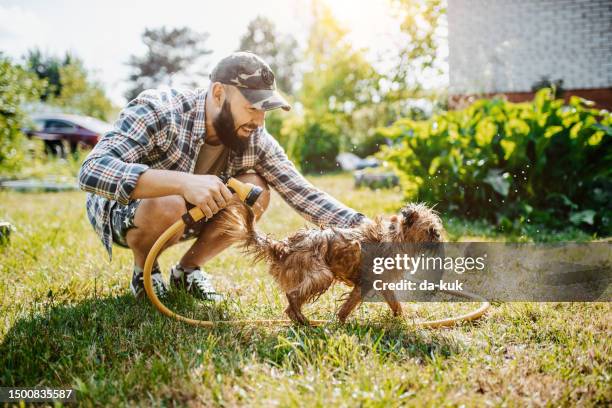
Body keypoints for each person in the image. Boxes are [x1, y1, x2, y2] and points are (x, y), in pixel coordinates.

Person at [78, 51, 367, 301]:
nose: (259, 120)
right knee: (170, 200)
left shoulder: (255, 138)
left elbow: (303, 193)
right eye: (252, 107)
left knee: (256, 190)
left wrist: (370, 231)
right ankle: (144, 273)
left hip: (192, 217)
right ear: (218, 94)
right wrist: (183, 182)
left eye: (265, 110)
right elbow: (92, 170)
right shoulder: (160, 110)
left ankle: (187, 271)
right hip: (126, 214)